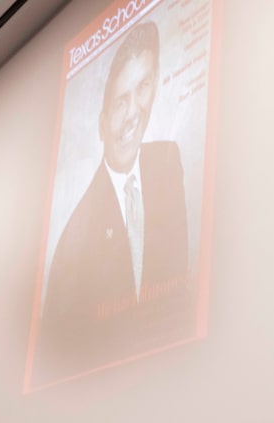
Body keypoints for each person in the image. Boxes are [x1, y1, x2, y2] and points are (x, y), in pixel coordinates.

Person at [36, 21, 192, 383]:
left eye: (144, 87)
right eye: (121, 101)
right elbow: (60, 363)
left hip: (175, 380)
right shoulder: (73, 241)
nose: (134, 111)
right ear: (102, 123)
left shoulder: (168, 163)